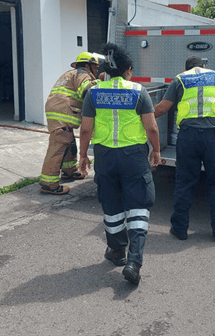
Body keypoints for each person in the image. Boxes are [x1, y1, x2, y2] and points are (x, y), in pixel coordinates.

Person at [79, 43, 160, 285]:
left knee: (112, 207)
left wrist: (83, 155)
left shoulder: (93, 93)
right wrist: (155, 150)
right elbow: (152, 127)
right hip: (133, 157)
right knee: (138, 207)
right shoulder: (138, 91)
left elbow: (85, 129)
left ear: (104, 71)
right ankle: (134, 262)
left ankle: (116, 252)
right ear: (128, 70)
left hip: (105, 157)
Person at [154, 56, 215, 240]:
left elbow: (162, 108)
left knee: (184, 181)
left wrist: (142, 116)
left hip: (188, 136)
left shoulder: (179, 79)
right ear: (203, 66)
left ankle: (179, 228)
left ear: (186, 68)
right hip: (212, 137)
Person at [38, 52, 101, 195]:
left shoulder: (70, 74)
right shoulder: (83, 74)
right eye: (95, 68)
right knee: (58, 146)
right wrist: (100, 83)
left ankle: (69, 171)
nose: (97, 71)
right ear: (87, 65)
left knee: (69, 141)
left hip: (57, 110)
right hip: (62, 113)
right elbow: (86, 91)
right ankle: (49, 184)